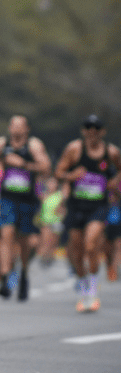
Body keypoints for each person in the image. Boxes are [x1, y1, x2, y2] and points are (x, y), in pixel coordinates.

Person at [54, 115, 121, 312]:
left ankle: (92, 289)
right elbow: (58, 172)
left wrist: (115, 181)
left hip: (98, 206)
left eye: (96, 130)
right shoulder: (74, 150)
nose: (92, 134)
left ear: (102, 132)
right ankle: (83, 284)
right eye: (88, 130)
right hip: (76, 206)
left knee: (91, 244)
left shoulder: (111, 152)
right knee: (76, 250)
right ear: (83, 131)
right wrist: (70, 176)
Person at [0, 116, 51, 301]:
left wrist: (22, 164)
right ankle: (6, 278)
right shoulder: (2, 143)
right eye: (13, 125)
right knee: (6, 235)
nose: (15, 129)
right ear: (9, 127)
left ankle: (23, 273)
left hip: (27, 200)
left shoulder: (34, 145)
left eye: (20, 126)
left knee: (24, 241)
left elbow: (46, 167)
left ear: (27, 129)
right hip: (7, 198)